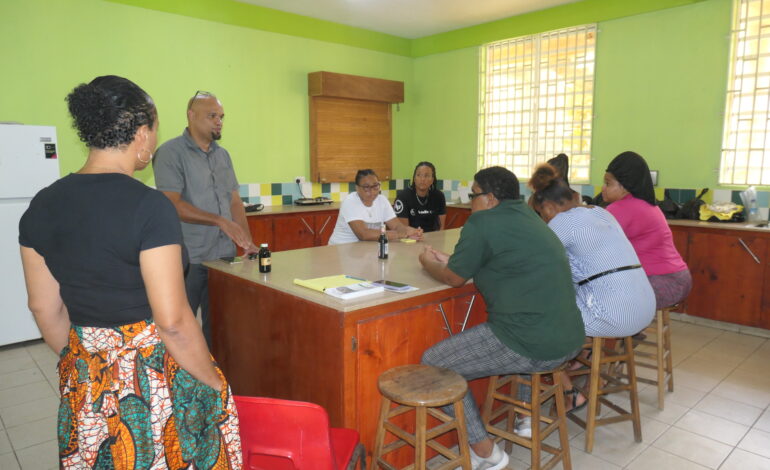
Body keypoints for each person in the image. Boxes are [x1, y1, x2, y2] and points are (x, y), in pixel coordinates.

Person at [18, 75, 241, 469]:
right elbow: (172, 321)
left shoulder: (41, 206)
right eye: (154, 128)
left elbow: (43, 308)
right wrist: (211, 378)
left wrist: (90, 359)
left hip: (86, 371)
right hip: (152, 374)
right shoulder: (150, 207)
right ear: (141, 133)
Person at [418, 166, 584, 470]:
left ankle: (485, 452)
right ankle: (521, 420)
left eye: (473, 195)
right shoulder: (529, 216)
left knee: (435, 363)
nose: (470, 202)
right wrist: (454, 262)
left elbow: (454, 278)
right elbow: (497, 260)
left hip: (531, 342)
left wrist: (427, 261)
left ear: (490, 198)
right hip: (570, 338)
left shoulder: (482, 221)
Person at [529, 163, 656, 412]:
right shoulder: (601, 212)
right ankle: (580, 355)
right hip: (646, 305)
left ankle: (569, 390)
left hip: (617, 315)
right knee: (574, 294)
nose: (543, 221)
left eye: (541, 215)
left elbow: (534, 265)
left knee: (535, 318)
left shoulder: (560, 223)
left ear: (549, 208)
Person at [153, 90, 256, 346]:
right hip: (190, 258)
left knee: (220, 326)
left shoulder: (223, 156)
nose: (218, 121)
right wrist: (220, 221)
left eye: (221, 116)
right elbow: (172, 204)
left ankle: (215, 379)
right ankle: (179, 381)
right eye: (212, 116)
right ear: (191, 115)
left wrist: (248, 242)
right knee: (179, 329)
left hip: (224, 258)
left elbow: (234, 201)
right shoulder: (170, 153)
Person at [602, 151, 692, 309]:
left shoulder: (621, 208)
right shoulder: (648, 204)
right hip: (678, 280)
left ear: (625, 186)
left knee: (596, 292)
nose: (603, 188)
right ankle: (632, 329)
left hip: (661, 284)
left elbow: (593, 242)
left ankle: (625, 329)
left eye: (608, 184)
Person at [328, 169, 423, 245]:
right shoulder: (350, 201)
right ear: (357, 188)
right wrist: (399, 234)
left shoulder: (382, 200)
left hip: (365, 250)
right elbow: (363, 234)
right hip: (341, 249)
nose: (372, 191)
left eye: (375, 186)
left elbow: (396, 225)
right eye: (366, 187)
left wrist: (410, 232)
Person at [393, 161, 446, 232]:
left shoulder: (439, 196)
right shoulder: (403, 197)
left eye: (427, 176)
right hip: (410, 238)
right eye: (419, 175)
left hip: (433, 238)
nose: (422, 179)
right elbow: (403, 229)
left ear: (432, 180)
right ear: (414, 178)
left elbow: (441, 227)